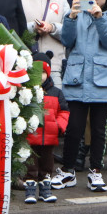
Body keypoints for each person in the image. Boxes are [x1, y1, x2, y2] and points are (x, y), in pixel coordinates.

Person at [53, 0, 107, 192]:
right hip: (78, 78)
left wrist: (100, 17)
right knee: (74, 128)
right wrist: (70, 18)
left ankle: (96, 171)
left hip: (103, 80)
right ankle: (68, 171)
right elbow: (67, 40)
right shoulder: (77, 13)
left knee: (99, 130)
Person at [23, 51, 67, 204]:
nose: (40, 75)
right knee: (31, 166)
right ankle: (30, 191)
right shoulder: (26, 92)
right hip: (31, 137)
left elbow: (64, 111)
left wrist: (59, 126)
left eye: (43, 72)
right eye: (37, 72)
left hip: (49, 136)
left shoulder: (56, 93)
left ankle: (45, 191)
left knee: (47, 166)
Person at [18, 0, 69, 75]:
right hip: (26, 63)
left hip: (55, 65)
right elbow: (14, 26)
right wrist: (33, 27)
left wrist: (52, 28)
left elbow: (70, 30)